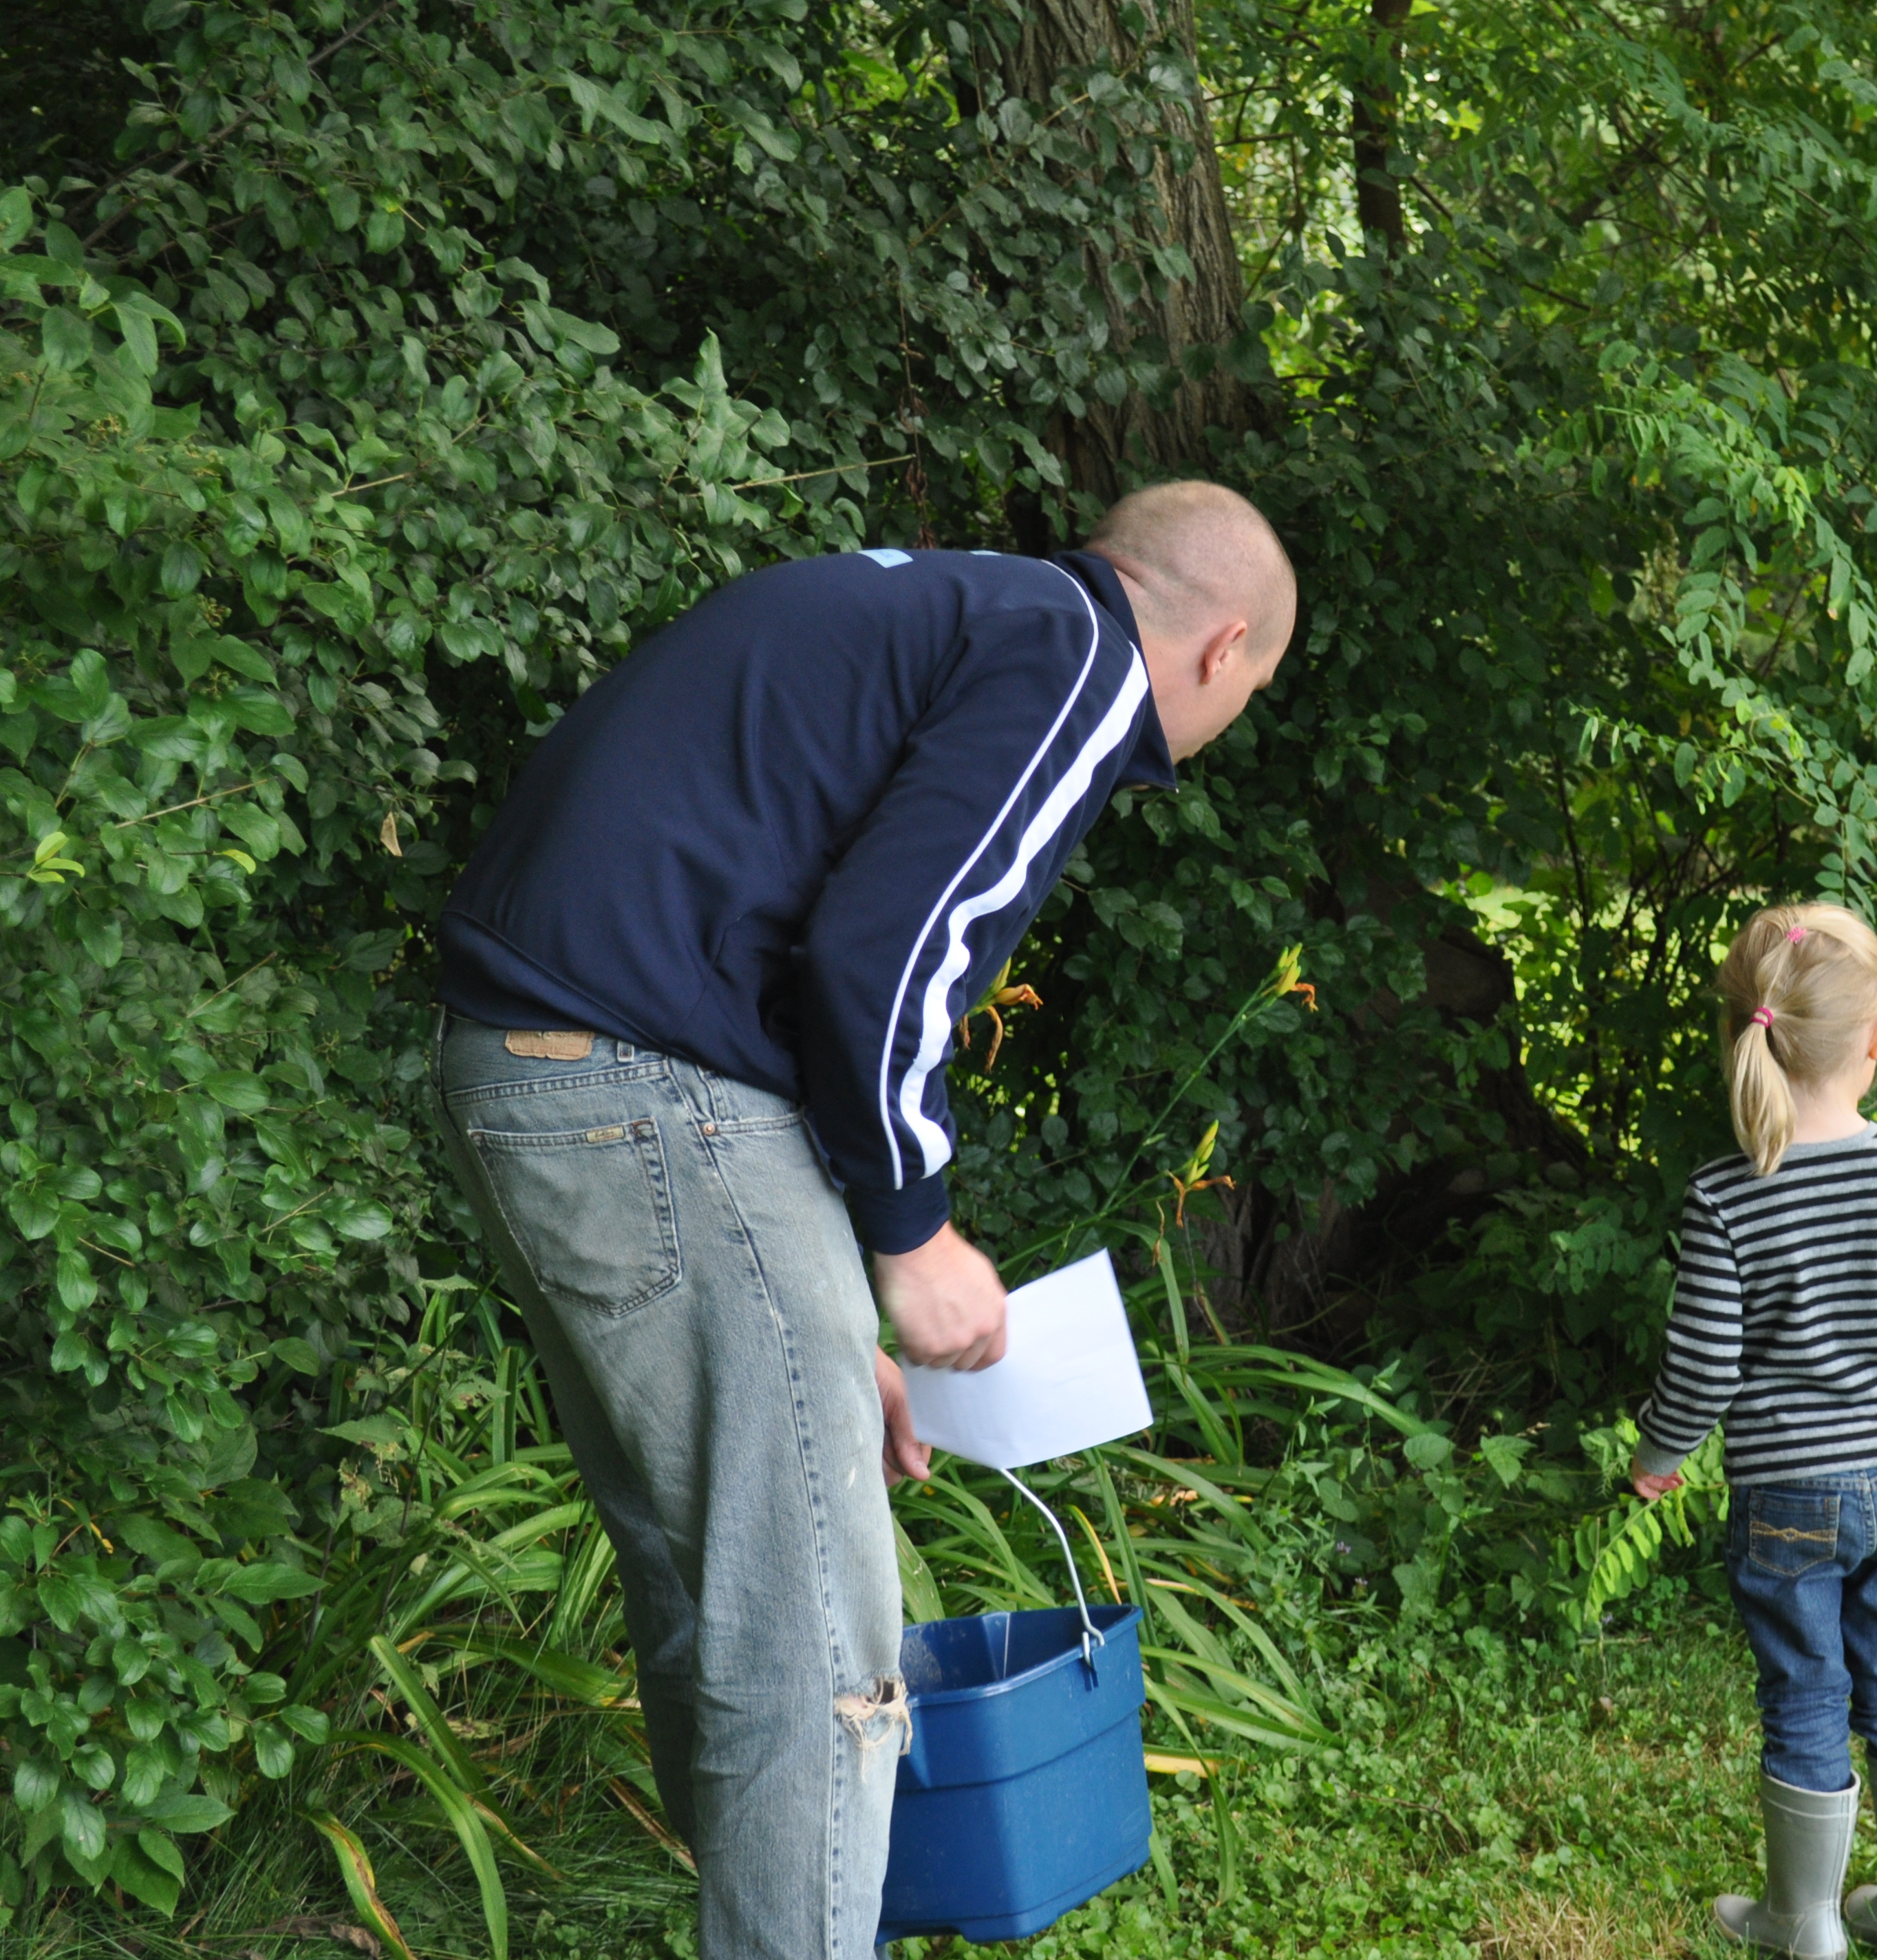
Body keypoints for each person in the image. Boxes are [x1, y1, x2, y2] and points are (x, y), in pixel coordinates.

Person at [426, 482, 1295, 1960]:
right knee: (817, 1640)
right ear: (1221, 652)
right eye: (1248, 695)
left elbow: (778, 968)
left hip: (532, 1072)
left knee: (720, 1589)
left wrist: (823, 1317)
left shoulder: (954, 604)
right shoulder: (1081, 659)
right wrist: (910, 1234)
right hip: (645, 1089)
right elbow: (888, 948)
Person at [1630, 902, 1877, 1960]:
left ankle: (1807, 1923)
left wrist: (1661, 1454)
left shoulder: (1728, 1194)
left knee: (1807, 1691)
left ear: (1754, 1030)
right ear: (1876, 1039)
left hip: (1787, 1497)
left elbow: (1703, 1360)